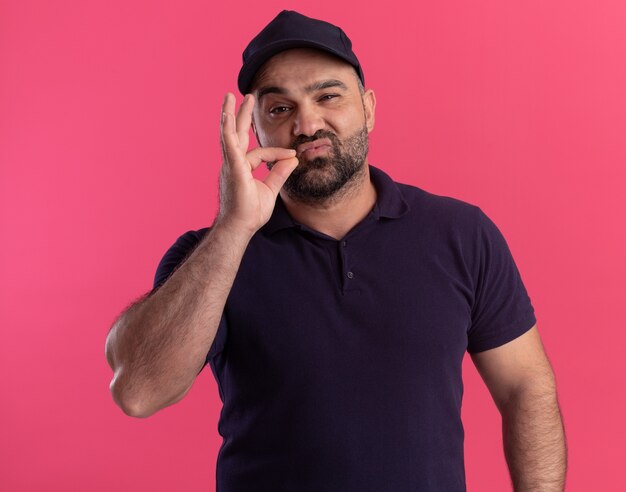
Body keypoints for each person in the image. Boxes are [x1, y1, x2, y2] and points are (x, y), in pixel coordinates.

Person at [105, 10, 567, 491]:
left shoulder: (461, 234)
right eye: (279, 109)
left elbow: (525, 387)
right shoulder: (209, 256)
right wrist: (233, 228)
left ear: (368, 108)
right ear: (256, 130)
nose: (307, 124)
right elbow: (138, 392)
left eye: (328, 96)